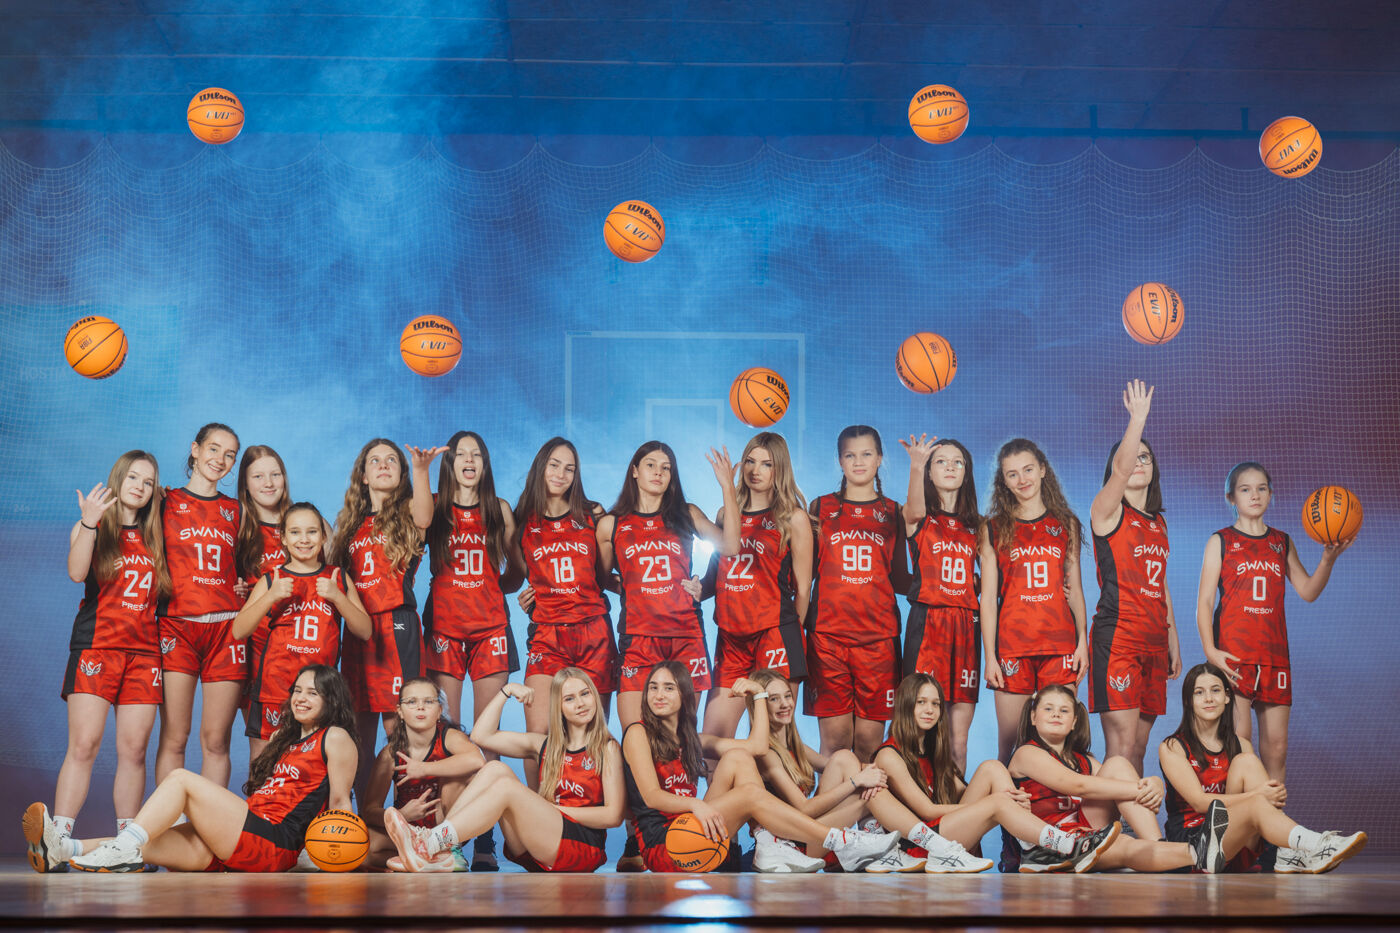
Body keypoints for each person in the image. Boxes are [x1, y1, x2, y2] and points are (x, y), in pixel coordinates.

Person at [32, 665, 357, 873]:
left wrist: (338, 860)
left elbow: (340, 802)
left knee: (181, 780)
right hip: (242, 837)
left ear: (332, 700)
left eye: (312, 693)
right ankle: (62, 850)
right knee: (149, 843)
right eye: (297, 690)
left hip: (272, 843)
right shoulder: (284, 741)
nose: (301, 698)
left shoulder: (335, 737)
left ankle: (122, 850)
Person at [23, 451, 172, 871]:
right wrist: (88, 521)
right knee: (84, 745)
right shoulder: (94, 525)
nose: (140, 486)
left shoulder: (159, 535)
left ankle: (126, 845)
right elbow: (75, 573)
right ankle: (57, 838)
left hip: (144, 654)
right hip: (96, 647)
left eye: (148, 481)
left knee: (134, 751)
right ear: (118, 479)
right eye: (133, 477)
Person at [621, 661, 901, 874]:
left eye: (668, 687)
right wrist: (697, 804)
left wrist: (757, 694)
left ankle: (770, 844)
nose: (659, 694)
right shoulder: (638, 733)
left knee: (738, 758)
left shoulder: (693, 740)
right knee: (750, 793)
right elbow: (651, 797)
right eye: (653, 687)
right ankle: (839, 840)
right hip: (666, 843)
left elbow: (756, 748)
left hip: (696, 827)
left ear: (684, 694)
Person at [1195, 462, 1353, 781]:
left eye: (1261, 488)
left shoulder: (1282, 542)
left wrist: (1327, 560)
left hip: (1275, 658)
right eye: (1245, 489)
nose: (1254, 495)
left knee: (1277, 748)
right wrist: (1211, 651)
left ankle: (1274, 830)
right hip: (1234, 657)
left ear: (1271, 494)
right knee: (1240, 749)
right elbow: (1205, 602)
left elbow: (1308, 591)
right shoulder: (1220, 541)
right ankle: (1242, 827)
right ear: (1231, 498)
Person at [745, 668, 991, 873]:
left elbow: (840, 766)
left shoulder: (795, 747)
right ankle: (885, 842)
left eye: (788, 696)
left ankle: (873, 838)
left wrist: (880, 768)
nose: (785, 703)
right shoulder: (766, 753)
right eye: (773, 699)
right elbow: (804, 809)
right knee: (866, 792)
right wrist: (857, 781)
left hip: (810, 836)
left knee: (844, 758)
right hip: (792, 844)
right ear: (759, 705)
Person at [384, 667, 623, 873]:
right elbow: (481, 736)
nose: (580, 703)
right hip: (538, 844)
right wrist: (505, 692)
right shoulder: (543, 744)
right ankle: (444, 849)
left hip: (580, 846)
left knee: (507, 788)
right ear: (558, 707)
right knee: (495, 768)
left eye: (585, 694)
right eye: (569, 698)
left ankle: (432, 843)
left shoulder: (606, 748)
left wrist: (551, 809)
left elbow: (613, 816)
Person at [874, 673, 1119, 873]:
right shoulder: (889, 754)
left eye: (936, 703)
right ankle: (1055, 845)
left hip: (946, 832)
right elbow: (926, 811)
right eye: (921, 702)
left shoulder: (933, 751)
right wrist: (999, 803)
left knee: (992, 767)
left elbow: (967, 793)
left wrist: (1006, 801)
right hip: (918, 844)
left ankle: (1030, 844)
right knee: (1001, 801)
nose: (930, 710)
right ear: (906, 705)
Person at [410, 431, 522, 870]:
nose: (470, 460)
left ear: (486, 462)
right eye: (462, 454)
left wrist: (500, 587)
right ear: (450, 463)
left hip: (491, 626)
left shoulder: (501, 509)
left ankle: (483, 839)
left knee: (485, 736)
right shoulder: (435, 504)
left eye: (478, 453)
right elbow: (418, 522)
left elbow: (515, 571)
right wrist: (419, 472)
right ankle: (442, 834)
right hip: (446, 627)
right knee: (446, 735)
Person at [1159, 663, 1366, 874]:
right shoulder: (1173, 746)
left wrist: (1267, 795)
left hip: (1237, 841)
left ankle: (1285, 851)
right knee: (1256, 799)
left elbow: (1259, 799)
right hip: (1194, 844)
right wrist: (1258, 795)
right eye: (1199, 692)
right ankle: (1314, 844)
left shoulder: (1241, 746)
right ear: (1188, 701)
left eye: (1215, 690)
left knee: (1246, 761)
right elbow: (1199, 802)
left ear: (1227, 697)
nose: (1209, 698)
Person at [1009, 683, 1228, 873]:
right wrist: (1140, 789)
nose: (1056, 714)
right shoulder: (1026, 753)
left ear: (1075, 721)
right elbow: (1079, 785)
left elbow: (1113, 786)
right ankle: (1191, 853)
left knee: (1118, 764)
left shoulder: (1084, 760)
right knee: (1124, 845)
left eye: (1064, 710)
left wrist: (1155, 783)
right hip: (1053, 846)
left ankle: (1159, 845)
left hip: (1087, 836)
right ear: (1033, 717)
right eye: (1048, 708)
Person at [596, 441, 740, 729]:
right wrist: (626, 588)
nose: (658, 472)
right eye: (650, 465)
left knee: (681, 733)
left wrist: (727, 486)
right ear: (635, 471)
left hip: (685, 635)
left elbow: (731, 546)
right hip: (638, 638)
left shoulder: (686, 514)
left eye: (666, 468)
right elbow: (599, 578)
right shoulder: (612, 524)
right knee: (636, 733)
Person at [1088, 381, 1181, 772]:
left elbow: (1159, 585)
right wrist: (1137, 420)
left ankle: (1128, 829)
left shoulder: (1159, 522)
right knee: (1121, 748)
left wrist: (1172, 638)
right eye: (1133, 457)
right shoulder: (1107, 511)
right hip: (1119, 636)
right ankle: (1109, 830)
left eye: (1147, 457)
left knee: (1139, 750)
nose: (1139, 462)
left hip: (1154, 641)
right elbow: (1123, 468)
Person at [232, 502, 371, 759]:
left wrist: (338, 598)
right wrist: (270, 597)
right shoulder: (272, 579)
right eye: (295, 532)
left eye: (312, 532)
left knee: (316, 763)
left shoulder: (336, 577)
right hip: (274, 689)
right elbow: (239, 630)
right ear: (283, 538)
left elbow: (364, 630)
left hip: (321, 692)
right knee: (266, 762)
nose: (304, 539)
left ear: (323, 536)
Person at [978, 438, 1087, 766]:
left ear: (1042, 469)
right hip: (1013, 648)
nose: (1022, 479)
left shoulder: (1065, 523)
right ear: (1003, 480)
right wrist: (990, 656)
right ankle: (1008, 818)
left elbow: (1076, 589)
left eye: (1027, 469)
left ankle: (1063, 818)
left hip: (1060, 646)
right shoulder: (992, 528)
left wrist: (1083, 642)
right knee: (1009, 746)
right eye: (1012, 474)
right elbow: (988, 599)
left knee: (1060, 743)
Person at [330, 438, 429, 798]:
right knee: (358, 732)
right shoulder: (349, 527)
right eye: (375, 460)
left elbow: (424, 516)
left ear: (401, 474)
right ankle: (368, 823)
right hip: (358, 632)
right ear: (364, 476)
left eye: (392, 460)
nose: (384, 464)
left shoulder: (407, 515)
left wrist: (420, 471)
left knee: (398, 728)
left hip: (395, 626)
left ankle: (413, 813)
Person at [699, 432, 812, 741]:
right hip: (731, 638)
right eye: (750, 461)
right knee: (712, 740)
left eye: (766, 464)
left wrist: (791, 634)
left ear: (780, 470)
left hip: (774, 633)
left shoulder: (793, 518)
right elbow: (715, 575)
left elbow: (803, 589)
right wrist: (698, 588)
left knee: (777, 741)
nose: (754, 470)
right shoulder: (726, 514)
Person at [806, 425, 907, 763]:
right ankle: (826, 817)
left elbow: (902, 579)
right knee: (835, 742)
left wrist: (970, 584)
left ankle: (868, 818)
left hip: (878, 639)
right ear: (840, 461)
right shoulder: (820, 508)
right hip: (828, 638)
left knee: (868, 744)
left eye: (866, 454)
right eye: (850, 455)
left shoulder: (894, 512)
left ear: (879, 459)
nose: (858, 461)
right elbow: (801, 571)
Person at [509, 438, 619, 737]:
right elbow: (518, 578)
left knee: (593, 734)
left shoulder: (591, 514)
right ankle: (536, 788)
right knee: (539, 733)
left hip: (593, 630)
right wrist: (525, 598)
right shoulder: (521, 522)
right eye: (554, 465)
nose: (561, 474)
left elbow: (607, 576)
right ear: (540, 467)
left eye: (569, 469)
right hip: (548, 633)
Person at [155, 422, 244, 788]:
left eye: (229, 455)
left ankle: (210, 829)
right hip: (177, 624)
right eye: (213, 449)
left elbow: (251, 565)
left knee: (217, 740)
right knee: (175, 737)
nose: (220, 459)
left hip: (226, 628)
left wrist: (245, 585)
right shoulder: (164, 501)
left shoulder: (237, 510)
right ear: (195, 450)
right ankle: (169, 827)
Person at [899, 434, 981, 771]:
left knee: (958, 743)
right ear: (930, 473)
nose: (950, 467)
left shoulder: (979, 527)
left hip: (966, 629)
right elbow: (914, 509)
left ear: (966, 473)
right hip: (928, 624)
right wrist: (916, 465)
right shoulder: (919, 518)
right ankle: (915, 818)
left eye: (957, 462)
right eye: (941, 462)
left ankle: (954, 820)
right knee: (918, 734)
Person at [364, 677, 486, 870]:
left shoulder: (450, 737)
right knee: (363, 848)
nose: (420, 707)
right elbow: (369, 811)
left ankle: (449, 850)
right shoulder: (390, 754)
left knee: (457, 774)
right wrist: (402, 815)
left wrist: (424, 769)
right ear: (400, 712)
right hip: (410, 830)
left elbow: (476, 760)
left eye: (428, 701)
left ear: (439, 711)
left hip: (445, 827)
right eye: (411, 702)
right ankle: (422, 860)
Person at [232, 446, 292, 759]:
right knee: (267, 748)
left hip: (302, 648)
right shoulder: (237, 530)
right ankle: (263, 808)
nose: (268, 483)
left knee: (304, 745)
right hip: (256, 651)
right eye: (258, 476)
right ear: (245, 483)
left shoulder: (310, 525)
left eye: (275, 474)